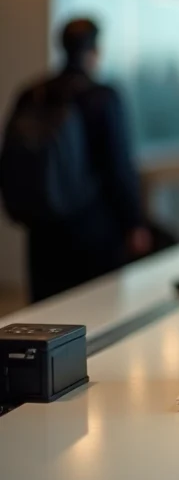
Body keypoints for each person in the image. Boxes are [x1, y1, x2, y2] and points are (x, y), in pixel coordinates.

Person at [1, 18, 150, 302]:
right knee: (97, 314)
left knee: (46, 318)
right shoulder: (102, 97)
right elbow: (119, 168)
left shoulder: (31, 93)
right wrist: (134, 222)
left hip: (42, 231)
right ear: (94, 51)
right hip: (94, 231)